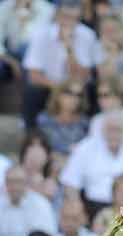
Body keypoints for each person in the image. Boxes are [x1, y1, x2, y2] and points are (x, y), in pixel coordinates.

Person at [60, 110, 123, 222]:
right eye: (110, 129)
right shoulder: (86, 147)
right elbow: (70, 183)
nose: (113, 134)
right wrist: (75, 206)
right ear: (102, 129)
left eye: (117, 129)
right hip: (93, 209)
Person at [22, 0, 97, 128]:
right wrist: (60, 88)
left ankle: (87, 131)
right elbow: (34, 75)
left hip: (76, 87)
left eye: (74, 18)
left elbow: (82, 76)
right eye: (66, 17)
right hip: (49, 86)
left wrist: (69, 50)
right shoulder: (41, 35)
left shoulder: (87, 35)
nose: (70, 22)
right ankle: (32, 133)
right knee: (32, 92)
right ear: (57, 16)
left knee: (92, 90)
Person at [0, 164, 57, 236]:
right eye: (10, 181)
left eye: (18, 181)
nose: (14, 186)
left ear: (26, 183)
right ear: (5, 183)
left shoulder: (40, 204)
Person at [0, 0, 54, 85]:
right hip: (8, 53)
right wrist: (12, 62)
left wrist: (23, 20)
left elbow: (33, 42)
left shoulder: (46, 8)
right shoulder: (5, 6)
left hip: (32, 55)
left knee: (27, 51)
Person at [36, 80, 89, 155]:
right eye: (69, 93)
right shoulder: (45, 119)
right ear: (58, 95)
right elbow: (46, 146)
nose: (74, 98)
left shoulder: (85, 122)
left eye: (79, 95)